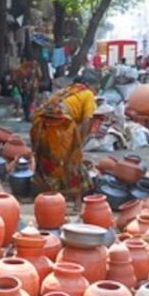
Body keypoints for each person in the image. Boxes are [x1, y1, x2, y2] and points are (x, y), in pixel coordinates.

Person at [29, 68, 100, 203]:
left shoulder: (68, 90)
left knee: (48, 162)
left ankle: (47, 199)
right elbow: (87, 120)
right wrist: (80, 143)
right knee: (72, 162)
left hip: (42, 125)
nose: (96, 91)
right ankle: (75, 202)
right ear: (89, 85)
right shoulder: (88, 94)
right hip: (59, 127)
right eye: (96, 87)